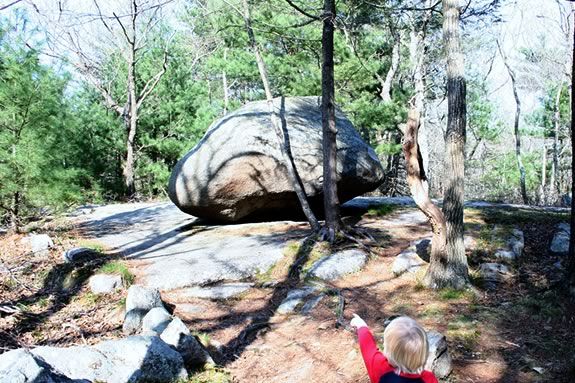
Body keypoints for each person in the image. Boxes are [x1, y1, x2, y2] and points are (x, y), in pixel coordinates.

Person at [350, 314, 438, 383]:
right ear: (423, 352)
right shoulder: (429, 379)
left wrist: (361, 325)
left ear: (388, 352)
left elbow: (367, 347)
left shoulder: (380, 368)